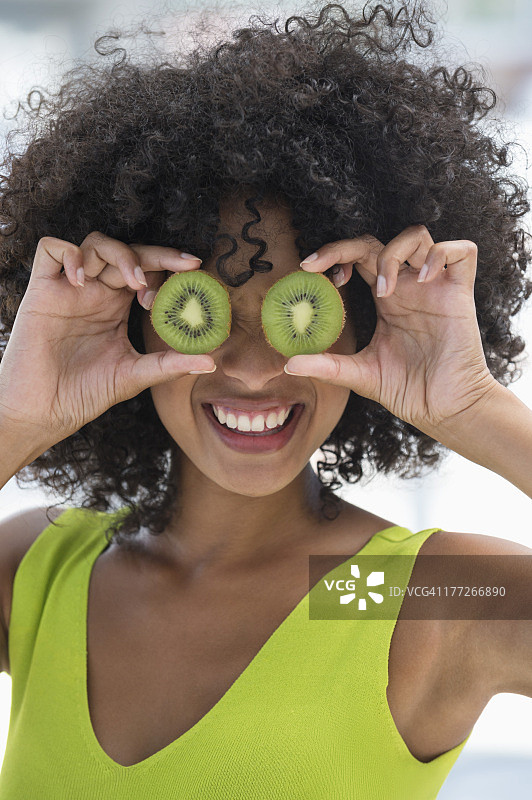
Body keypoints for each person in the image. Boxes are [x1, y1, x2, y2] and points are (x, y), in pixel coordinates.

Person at [0, 1, 531, 797]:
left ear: (364, 327)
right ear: (137, 323)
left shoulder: (405, 597)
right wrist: (16, 417)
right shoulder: (43, 566)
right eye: (201, 313)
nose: (252, 370)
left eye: (299, 315)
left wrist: (472, 408)